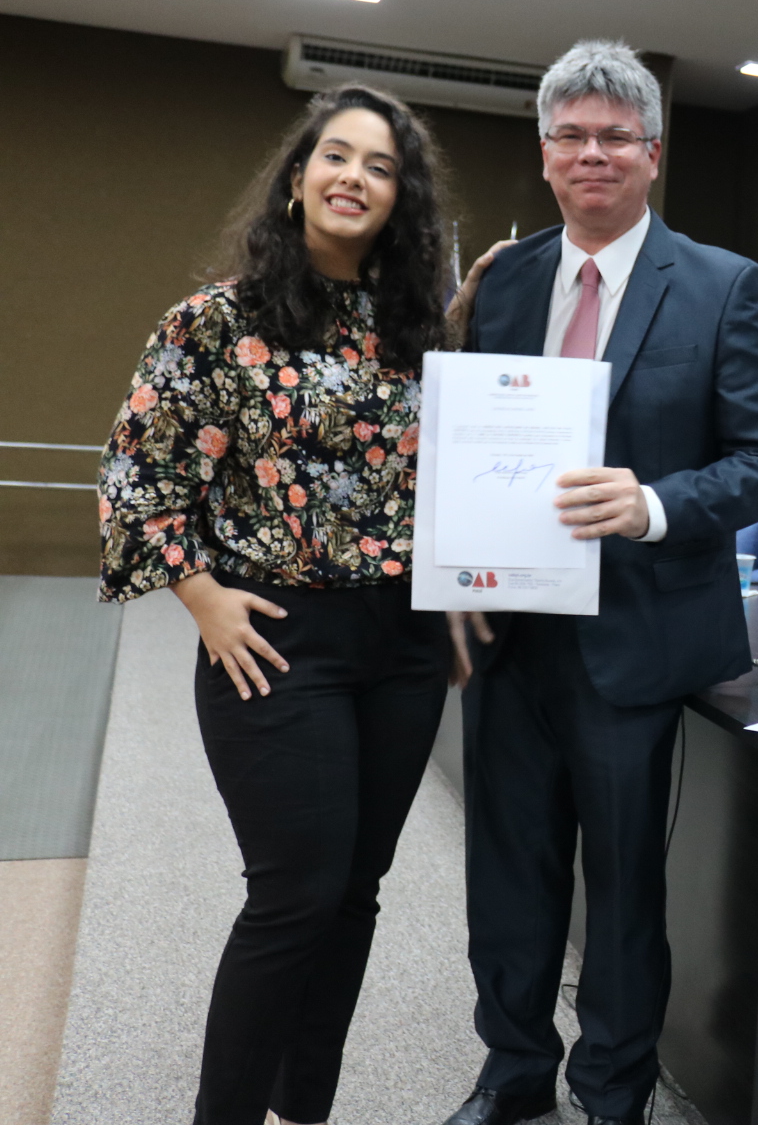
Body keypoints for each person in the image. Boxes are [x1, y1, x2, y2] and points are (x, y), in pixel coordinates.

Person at [443, 39, 758, 1125]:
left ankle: (612, 1090)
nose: (591, 154)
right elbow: (465, 434)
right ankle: (513, 1070)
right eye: (570, 136)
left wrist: (652, 503)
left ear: (653, 152)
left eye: (614, 136)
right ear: (544, 154)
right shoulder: (505, 279)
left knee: (624, 885)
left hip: (637, 639)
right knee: (507, 874)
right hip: (509, 630)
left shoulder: (723, 284)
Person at [98, 85, 456, 1125]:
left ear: (401, 199)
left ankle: (305, 1107)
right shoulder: (215, 320)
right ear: (297, 179)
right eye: (336, 155)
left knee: (354, 891)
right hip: (273, 636)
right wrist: (202, 597)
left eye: (381, 166)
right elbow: (136, 476)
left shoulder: (419, 332)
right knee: (295, 892)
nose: (355, 177)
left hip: (404, 643)